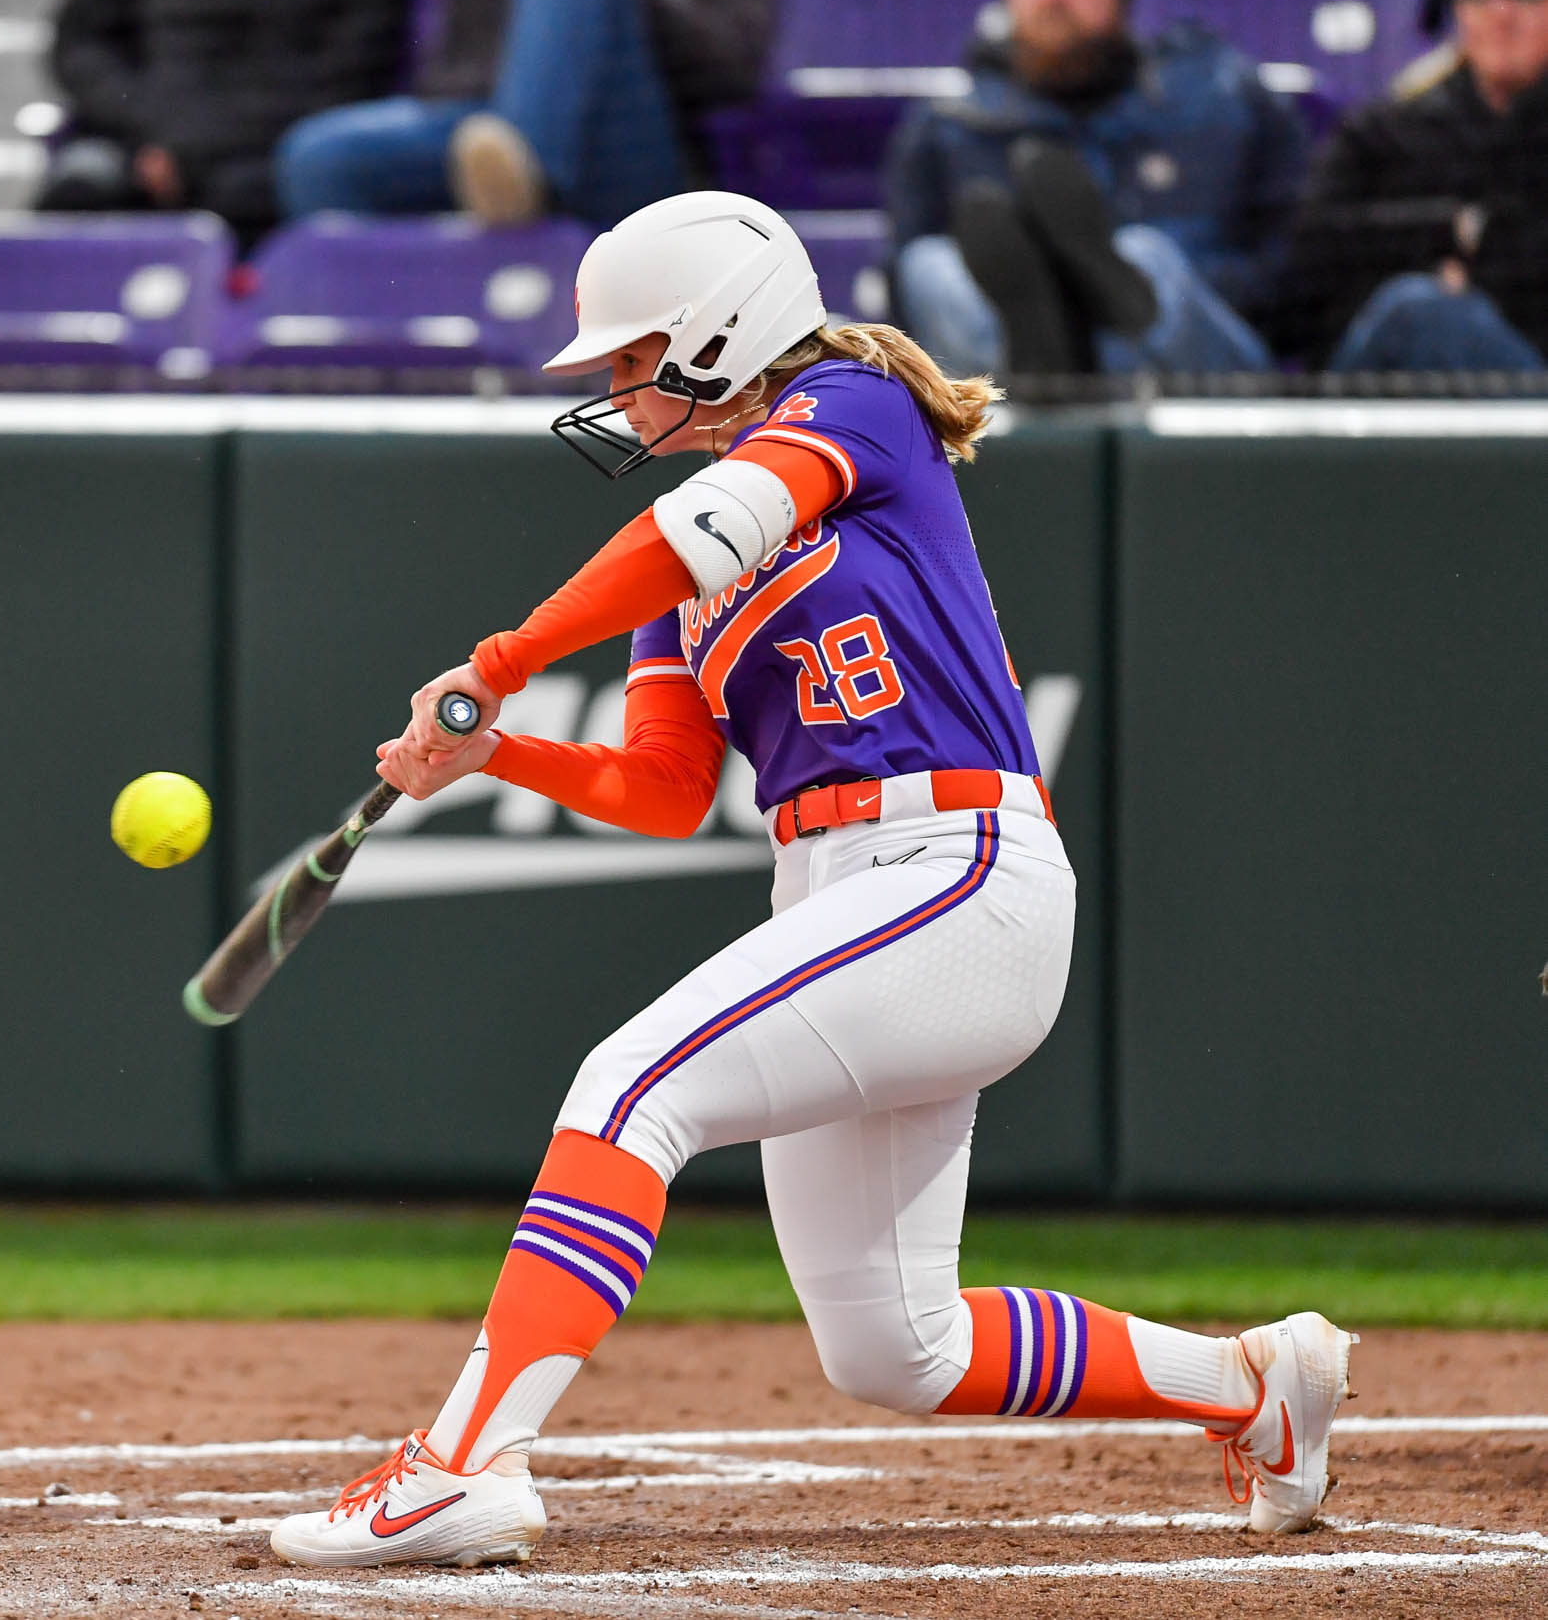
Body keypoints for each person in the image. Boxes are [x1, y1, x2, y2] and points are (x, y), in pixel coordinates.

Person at [267, 193, 1354, 1570]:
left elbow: (689, 533)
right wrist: (503, 753)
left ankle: (463, 1462)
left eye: (635, 355)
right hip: (841, 887)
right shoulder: (688, 584)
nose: (616, 386)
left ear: (724, 332)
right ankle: (1257, 1384)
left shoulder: (852, 405)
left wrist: (500, 655)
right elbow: (664, 788)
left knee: (627, 1086)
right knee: (897, 1344)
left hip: (955, 870)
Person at [885, 0, 1307, 375]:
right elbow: (905, 310)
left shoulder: (1222, 98)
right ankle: (1043, 352)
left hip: (1198, 383)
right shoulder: (946, 127)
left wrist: (1094, 304)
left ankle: (1082, 332)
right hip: (994, 384)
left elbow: (1288, 276)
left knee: (1146, 257)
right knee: (929, 264)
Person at [272, 0, 773, 230]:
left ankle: (528, 159)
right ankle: (375, 361)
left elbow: (733, 69)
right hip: (487, 126)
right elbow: (454, 66)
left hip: (626, 130)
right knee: (320, 157)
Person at [1273, 0, 1548, 373]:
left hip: (1529, 376)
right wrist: (1450, 231)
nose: (1501, 14)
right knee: (1414, 309)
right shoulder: (1386, 129)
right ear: (1459, 11)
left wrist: (1470, 267)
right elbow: (1309, 257)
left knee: (1422, 311)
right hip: (1377, 374)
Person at [33, 0, 406, 245]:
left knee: (246, 198)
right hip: (145, 140)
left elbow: (348, 78)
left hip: (268, 151)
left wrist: (192, 152)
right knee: (81, 188)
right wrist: (154, 130)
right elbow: (82, 45)